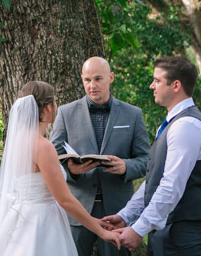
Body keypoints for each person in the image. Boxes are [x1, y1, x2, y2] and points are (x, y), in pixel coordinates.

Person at [0, 81, 120, 256]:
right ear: (48, 108)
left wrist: (93, 220)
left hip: (21, 217)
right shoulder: (42, 146)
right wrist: (101, 232)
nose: (57, 106)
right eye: (55, 102)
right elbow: (65, 200)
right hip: (43, 222)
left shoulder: (17, 141)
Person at [103, 56, 201, 255]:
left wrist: (138, 229)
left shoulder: (186, 126)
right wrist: (127, 215)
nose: (151, 86)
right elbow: (154, 179)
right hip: (166, 227)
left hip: (182, 230)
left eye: (157, 80)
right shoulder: (173, 123)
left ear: (176, 85)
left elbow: (171, 186)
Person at [50, 56, 150, 256]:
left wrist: (126, 167)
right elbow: (52, 159)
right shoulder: (65, 113)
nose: (92, 85)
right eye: (87, 80)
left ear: (111, 77)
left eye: (98, 79)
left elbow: (147, 161)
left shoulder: (133, 114)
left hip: (118, 211)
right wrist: (72, 171)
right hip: (77, 209)